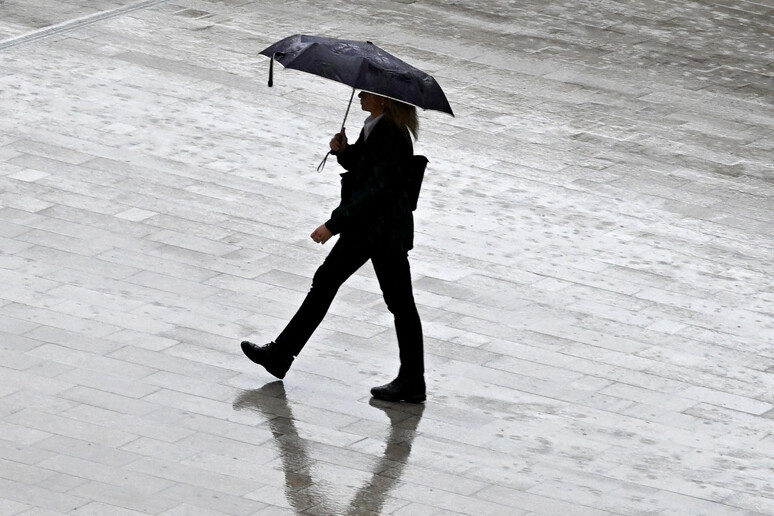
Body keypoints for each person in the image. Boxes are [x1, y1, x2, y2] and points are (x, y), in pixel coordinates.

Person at [241, 91, 426, 403]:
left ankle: (412, 380)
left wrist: (333, 224)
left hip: (378, 231)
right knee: (334, 285)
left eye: (367, 92)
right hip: (374, 229)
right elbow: (367, 170)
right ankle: (281, 355)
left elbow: (375, 191)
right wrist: (344, 151)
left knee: (396, 302)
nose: (360, 96)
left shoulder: (390, 133)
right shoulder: (377, 127)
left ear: (382, 100)